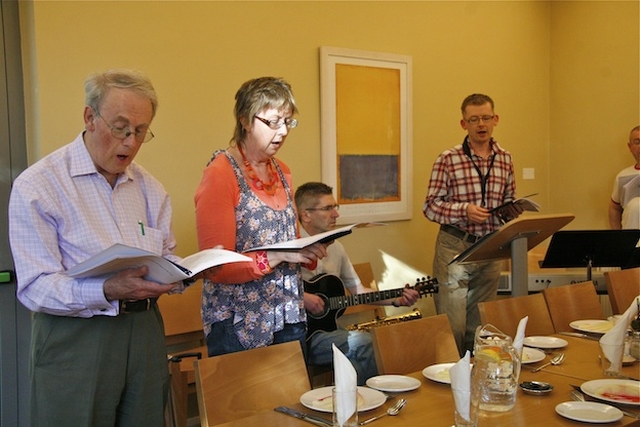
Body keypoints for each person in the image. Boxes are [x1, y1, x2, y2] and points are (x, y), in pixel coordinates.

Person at [8, 69, 197, 426]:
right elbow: (35, 287)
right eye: (121, 127)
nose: (130, 142)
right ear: (89, 117)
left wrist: (188, 271)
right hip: (76, 337)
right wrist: (107, 288)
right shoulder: (40, 185)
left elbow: (165, 253)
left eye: (141, 131)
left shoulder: (149, 188)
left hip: (144, 331)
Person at [195, 77, 327, 358]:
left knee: (291, 401)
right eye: (273, 122)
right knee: (249, 403)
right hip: (239, 323)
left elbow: (291, 241)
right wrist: (277, 256)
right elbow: (214, 267)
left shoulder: (283, 171)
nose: (282, 132)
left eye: (288, 122)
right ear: (244, 119)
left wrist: (309, 251)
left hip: (287, 313)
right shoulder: (221, 173)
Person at [423, 93, 522, 355]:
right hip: (455, 246)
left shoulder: (505, 158)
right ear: (463, 123)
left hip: (490, 247)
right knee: (452, 327)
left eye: (486, 118)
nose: (481, 124)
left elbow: (508, 199)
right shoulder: (448, 158)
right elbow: (430, 206)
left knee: (481, 328)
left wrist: (513, 209)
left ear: (495, 119)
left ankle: (477, 385)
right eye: (474, 119)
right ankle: (449, 385)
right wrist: (463, 210)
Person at [295, 182, 420, 385]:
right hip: (299, 339)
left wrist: (397, 300)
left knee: (366, 348)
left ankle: (356, 404)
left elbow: (359, 290)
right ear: (306, 214)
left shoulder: (337, 249)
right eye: (328, 208)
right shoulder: (289, 248)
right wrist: (303, 298)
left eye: (336, 207)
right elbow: (272, 291)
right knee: (363, 343)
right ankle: (369, 400)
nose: (336, 214)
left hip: (327, 334)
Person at [609, 125, 640, 230]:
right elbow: (614, 208)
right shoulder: (622, 176)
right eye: (637, 142)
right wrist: (617, 236)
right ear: (630, 147)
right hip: (631, 239)